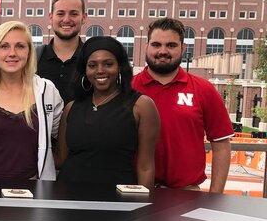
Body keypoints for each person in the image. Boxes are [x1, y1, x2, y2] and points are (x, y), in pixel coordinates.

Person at [133, 17, 234, 192]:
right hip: (133, 190)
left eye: (171, 45)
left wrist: (215, 196)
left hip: (186, 193)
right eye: (156, 44)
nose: (162, 51)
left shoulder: (204, 90)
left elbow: (221, 146)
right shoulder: (128, 88)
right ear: (146, 46)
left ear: (183, 48)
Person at [56, 36, 160, 187]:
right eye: (92, 65)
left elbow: (145, 167)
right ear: (85, 70)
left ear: (119, 66)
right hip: (68, 197)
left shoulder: (141, 106)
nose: (100, 71)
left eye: (108, 64)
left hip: (118, 199)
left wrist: (144, 206)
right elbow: (60, 159)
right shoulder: (71, 108)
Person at [0, 21, 63, 180]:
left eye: (20, 46)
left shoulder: (47, 91)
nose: (12, 53)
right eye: (4, 46)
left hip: (33, 193)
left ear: (29, 52)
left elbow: (63, 141)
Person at [36, 0, 88, 103]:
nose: (66, 20)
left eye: (74, 14)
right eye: (60, 14)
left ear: (83, 18)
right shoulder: (33, 58)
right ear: (51, 17)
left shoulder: (92, 59)